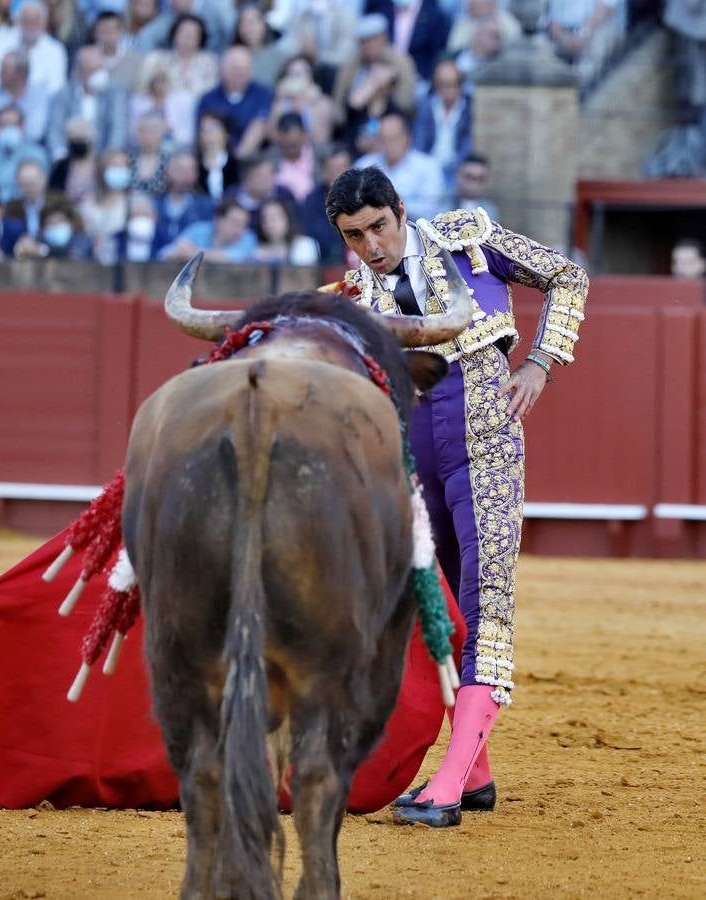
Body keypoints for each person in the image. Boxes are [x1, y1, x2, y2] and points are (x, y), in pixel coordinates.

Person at [324, 165, 588, 827]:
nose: (371, 244)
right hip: (416, 455)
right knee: (436, 606)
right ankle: (473, 774)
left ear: (399, 210)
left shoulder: (465, 238)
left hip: (485, 444)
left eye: (378, 226)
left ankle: (445, 786)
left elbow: (567, 274)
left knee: (484, 599)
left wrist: (538, 364)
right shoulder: (353, 290)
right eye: (354, 235)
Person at [331, 13, 417, 156]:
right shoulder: (350, 66)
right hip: (355, 131)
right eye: (364, 41)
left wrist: (382, 93)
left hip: (390, 128)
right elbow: (338, 112)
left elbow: (406, 104)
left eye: (374, 39)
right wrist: (370, 87)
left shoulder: (401, 62)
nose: (370, 45)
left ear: (384, 38)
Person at [354, 110, 445, 221]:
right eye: (383, 140)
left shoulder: (429, 167)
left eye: (394, 139)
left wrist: (392, 204)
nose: (388, 145)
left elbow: (430, 209)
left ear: (407, 138)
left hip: (415, 230)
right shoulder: (363, 165)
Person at [46, 44, 128, 164]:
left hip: (102, 156)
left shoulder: (115, 92)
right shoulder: (64, 93)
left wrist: (110, 154)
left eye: (101, 68)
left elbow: (118, 126)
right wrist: (62, 156)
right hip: (71, 155)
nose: (101, 74)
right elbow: (55, 129)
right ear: (79, 71)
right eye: (94, 69)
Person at [195, 44, 272, 161]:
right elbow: (202, 134)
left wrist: (237, 159)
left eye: (243, 69)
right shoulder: (208, 98)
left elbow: (260, 125)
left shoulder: (262, 94)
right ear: (223, 69)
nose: (239, 73)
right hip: (214, 158)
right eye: (234, 69)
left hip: (252, 158)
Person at [412, 58, 472, 191]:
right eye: (442, 84)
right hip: (427, 169)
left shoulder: (469, 109)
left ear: (460, 85)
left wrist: (452, 170)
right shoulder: (425, 106)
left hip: (456, 171)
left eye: (451, 84)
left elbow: (467, 148)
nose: (446, 89)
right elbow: (419, 143)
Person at [0, 50, 50, 145]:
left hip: (27, 152)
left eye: (4, 71)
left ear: (21, 74)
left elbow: (35, 133)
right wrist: (14, 127)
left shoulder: (38, 96)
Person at [0, 104, 50, 203]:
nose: (8, 129)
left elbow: (41, 189)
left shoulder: (38, 154)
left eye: (13, 125)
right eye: (4, 125)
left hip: (26, 207)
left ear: (22, 126)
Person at [157, 194, 257, 263]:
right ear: (218, 220)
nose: (240, 229)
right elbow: (165, 253)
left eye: (244, 224)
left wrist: (194, 254)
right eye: (235, 222)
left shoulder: (248, 237)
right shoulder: (198, 229)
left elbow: (237, 258)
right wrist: (178, 252)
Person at [253, 195, 318, 265]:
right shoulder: (257, 251)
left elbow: (303, 274)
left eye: (275, 217)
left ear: (288, 219)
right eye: (265, 219)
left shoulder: (304, 245)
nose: (270, 223)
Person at [449, 153, 499, 220]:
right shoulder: (439, 206)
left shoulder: (490, 211)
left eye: (480, 179)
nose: (474, 184)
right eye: (469, 177)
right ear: (458, 176)